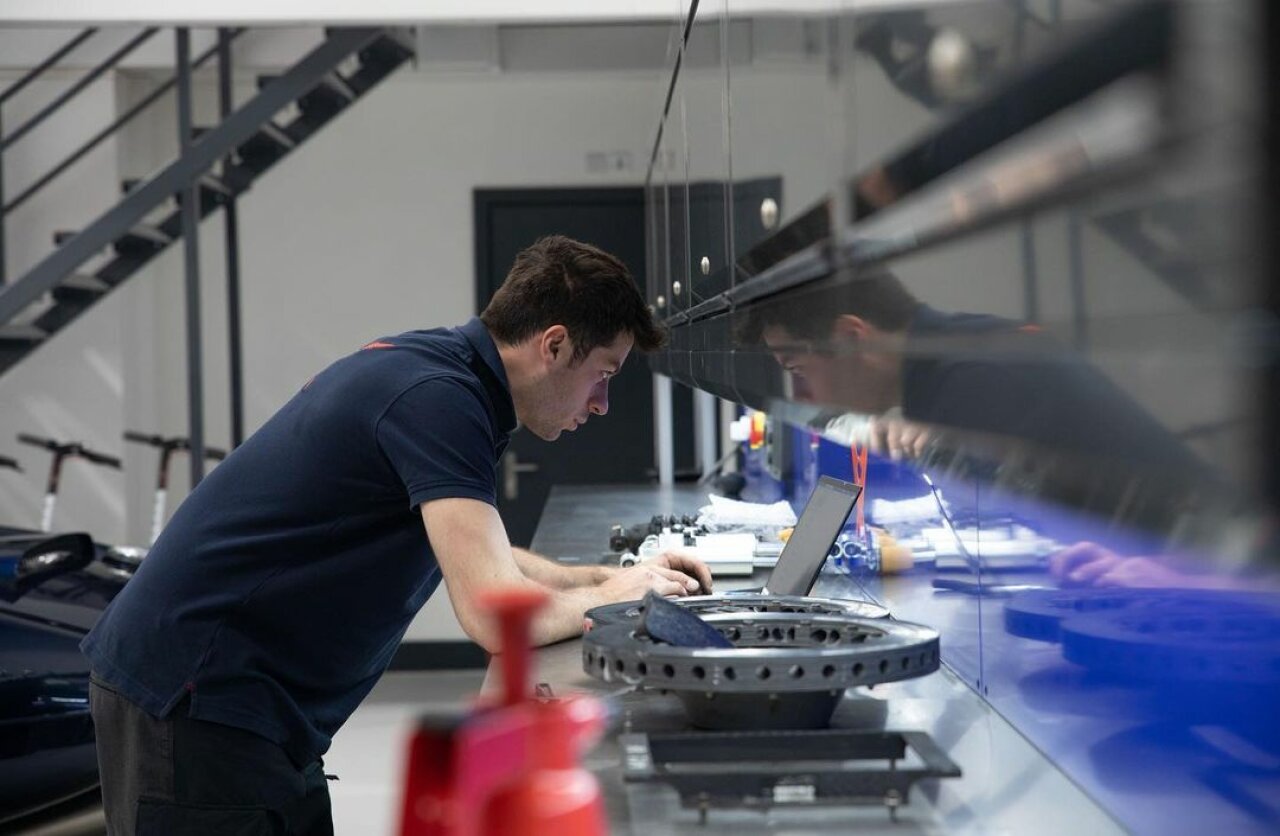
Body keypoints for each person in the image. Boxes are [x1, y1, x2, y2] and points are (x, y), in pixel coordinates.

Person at [81, 235, 713, 835]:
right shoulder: (439, 399)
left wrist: (598, 579)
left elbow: (474, 550)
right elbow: (494, 615)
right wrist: (623, 594)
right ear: (553, 345)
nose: (602, 403)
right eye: (605, 373)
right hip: (196, 697)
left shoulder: (444, 376)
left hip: (251, 706)